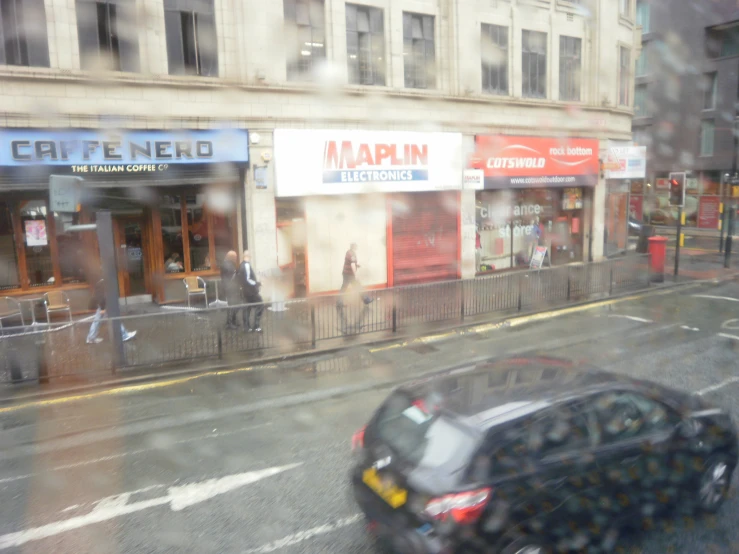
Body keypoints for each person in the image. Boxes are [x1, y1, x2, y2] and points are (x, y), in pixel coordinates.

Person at [86, 278, 137, 344]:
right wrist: (102, 308)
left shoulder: (104, 282)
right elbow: (100, 296)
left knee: (99, 321)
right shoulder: (103, 283)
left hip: (105, 305)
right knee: (114, 319)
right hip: (104, 306)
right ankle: (124, 335)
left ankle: (91, 338)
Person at [238, 250, 263, 332]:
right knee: (260, 304)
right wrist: (257, 283)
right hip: (251, 291)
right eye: (250, 256)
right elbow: (248, 279)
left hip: (245, 291)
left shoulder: (241, 265)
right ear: (248, 256)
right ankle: (256, 326)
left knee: (247, 308)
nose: (250, 258)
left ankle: (246, 327)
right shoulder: (246, 265)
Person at [221, 250, 240, 330]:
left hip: (231, 287)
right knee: (231, 305)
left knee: (235, 304)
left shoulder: (230, 264)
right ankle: (229, 323)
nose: (236, 258)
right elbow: (231, 276)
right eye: (235, 257)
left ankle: (233, 320)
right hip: (229, 288)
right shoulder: (226, 264)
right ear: (231, 257)